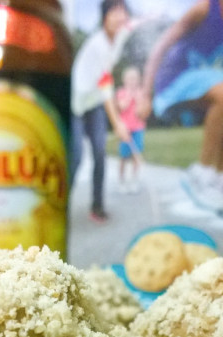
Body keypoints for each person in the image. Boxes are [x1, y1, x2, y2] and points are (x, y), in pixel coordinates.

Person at [136, 0, 223, 213]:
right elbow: (160, 46)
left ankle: (220, 180)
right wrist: (145, 93)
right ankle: (201, 173)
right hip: (174, 78)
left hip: (207, 76)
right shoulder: (204, 9)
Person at [71, 0, 133, 223]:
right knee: (76, 157)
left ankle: (97, 206)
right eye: (114, 13)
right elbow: (106, 86)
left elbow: (131, 27)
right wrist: (117, 123)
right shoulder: (97, 45)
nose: (120, 17)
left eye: (123, 13)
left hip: (95, 102)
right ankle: (58, 205)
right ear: (104, 17)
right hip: (77, 103)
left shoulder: (119, 36)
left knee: (100, 153)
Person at [115, 66, 146, 194]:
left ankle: (134, 180)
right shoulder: (121, 92)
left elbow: (142, 110)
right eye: (130, 79)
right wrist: (129, 96)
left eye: (135, 79)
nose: (133, 81)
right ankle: (121, 181)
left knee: (136, 154)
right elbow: (122, 107)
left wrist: (138, 98)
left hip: (138, 128)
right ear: (124, 80)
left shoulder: (141, 92)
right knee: (123, 156)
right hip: (125, 129)